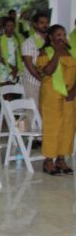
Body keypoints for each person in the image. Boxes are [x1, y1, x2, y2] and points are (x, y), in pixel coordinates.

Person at [36, 25, 76, 176]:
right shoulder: (45, 51)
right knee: (53, 127)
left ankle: (61, 158)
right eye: (58, 35)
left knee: (68, 127)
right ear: (51, 37)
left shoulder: (72, 51)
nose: (62, 37)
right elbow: (47, 71)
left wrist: (73, 91)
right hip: (51, 94)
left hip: (69, 95)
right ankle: (48, 161)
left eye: (63, 34)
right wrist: (57, 54)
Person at [22, 13, 49, 107]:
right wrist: (42, 80)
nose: (45, 25)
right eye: (42, 23)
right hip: (33, 82)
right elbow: (29, 66)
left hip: (47, 83)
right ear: (35, 24)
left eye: (46, 23)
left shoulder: (50, 41)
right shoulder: (28, 42)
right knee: (33, 114)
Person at [0, 17, 23, 85]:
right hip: (3, 68)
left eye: (12, 25)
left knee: (13, 89)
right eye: (8, 26)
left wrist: (16, 68)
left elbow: (17, 55)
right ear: (4, 27)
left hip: (14, 68)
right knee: (4, 90)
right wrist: (12, 68)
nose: (11, 28)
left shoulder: (15, 38)